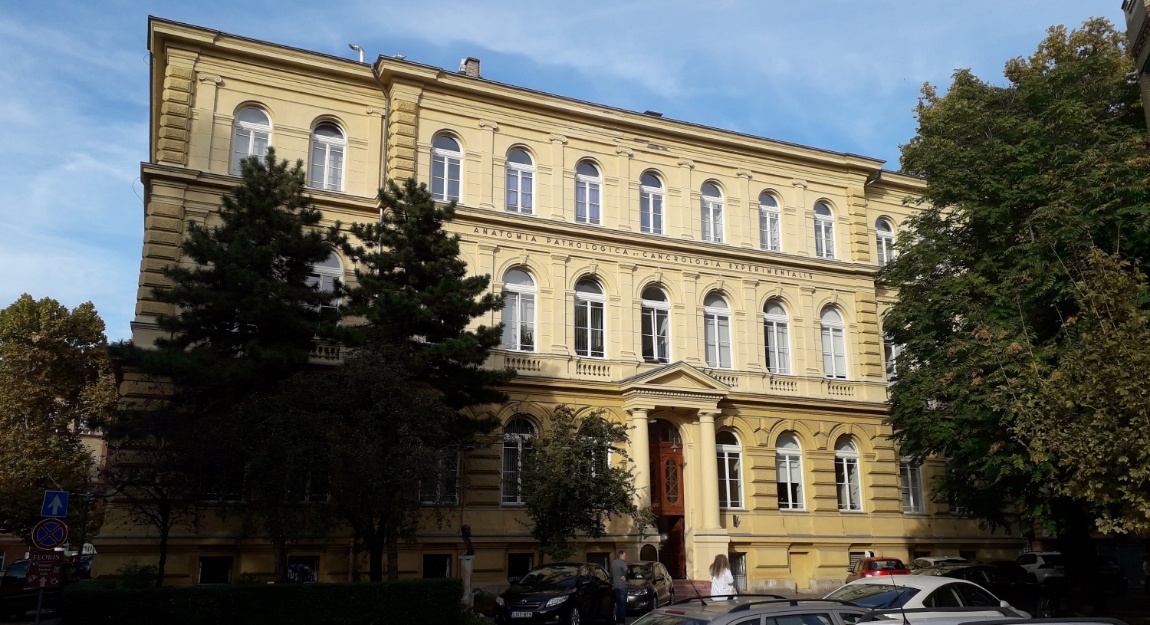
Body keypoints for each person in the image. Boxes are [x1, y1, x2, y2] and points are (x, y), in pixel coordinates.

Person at [610, 550, 628, 625]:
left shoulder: (613, 563)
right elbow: (626, 570)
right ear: (621, 556)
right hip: (622, 586)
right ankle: (622, 621)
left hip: (615, 585)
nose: (626, 557)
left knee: (618, 604)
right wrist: (626, 577)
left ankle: (617, 620)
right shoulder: (622, 563)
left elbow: (610, 574)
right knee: (622, 604)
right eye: (624, 555)